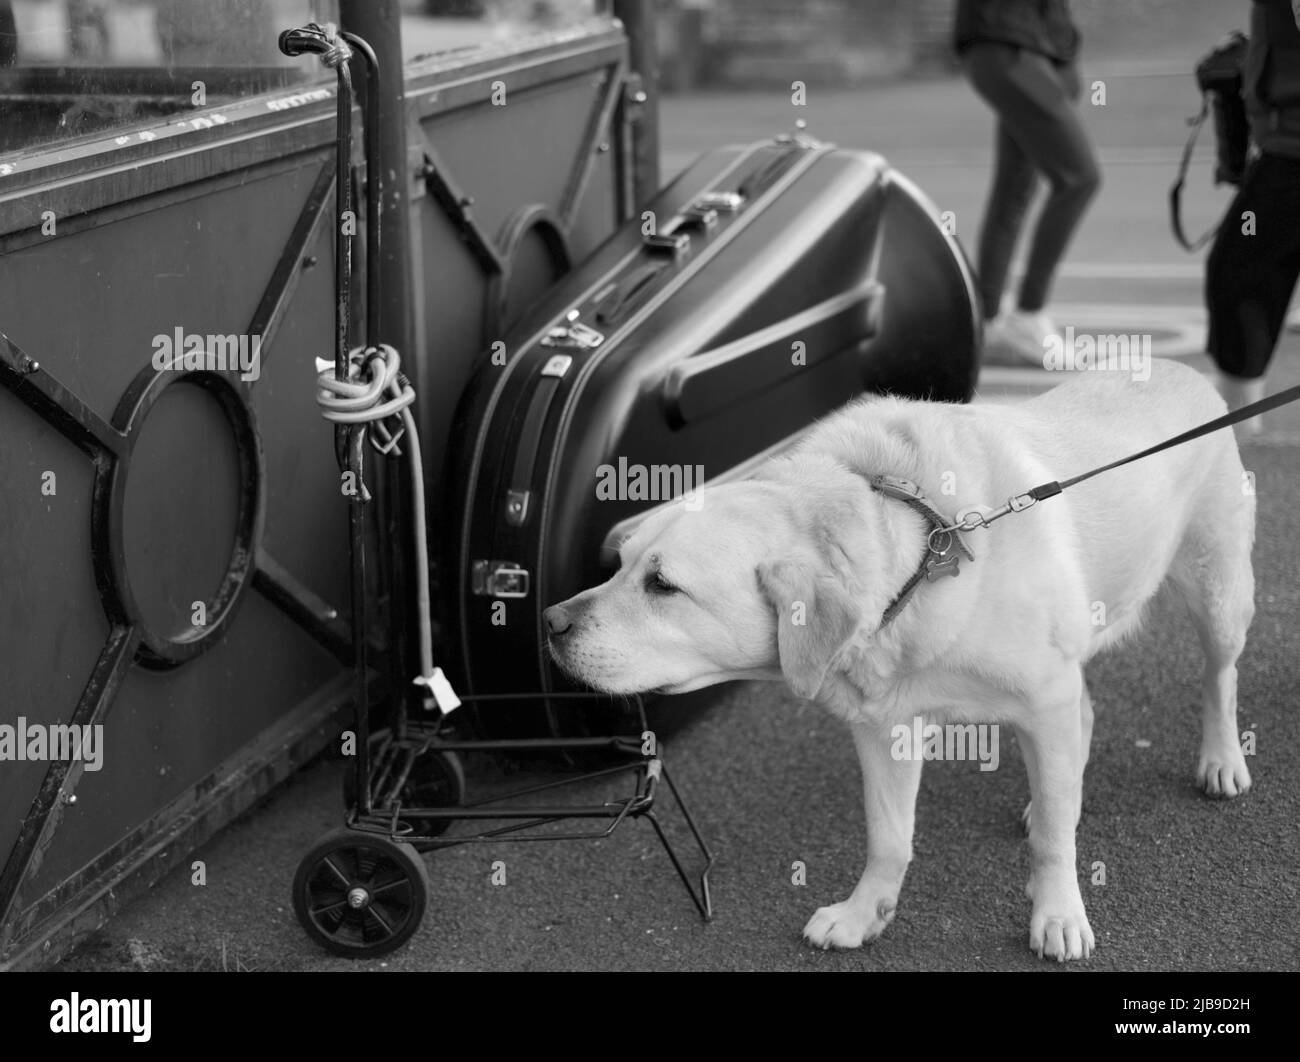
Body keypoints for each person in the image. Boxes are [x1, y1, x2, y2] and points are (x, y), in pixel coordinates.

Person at [954, 0, 1101, 364]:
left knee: (1014, 191)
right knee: (1080, 178)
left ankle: (985, 321)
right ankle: (1028, 313)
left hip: (1041, 49)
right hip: (1008, 45)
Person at [1205, 0, 1300, 433]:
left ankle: (1238, 434)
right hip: (1284, 145)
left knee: (1240, 280)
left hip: (1292, 151)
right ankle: (1239, 429)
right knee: (1242, 279)